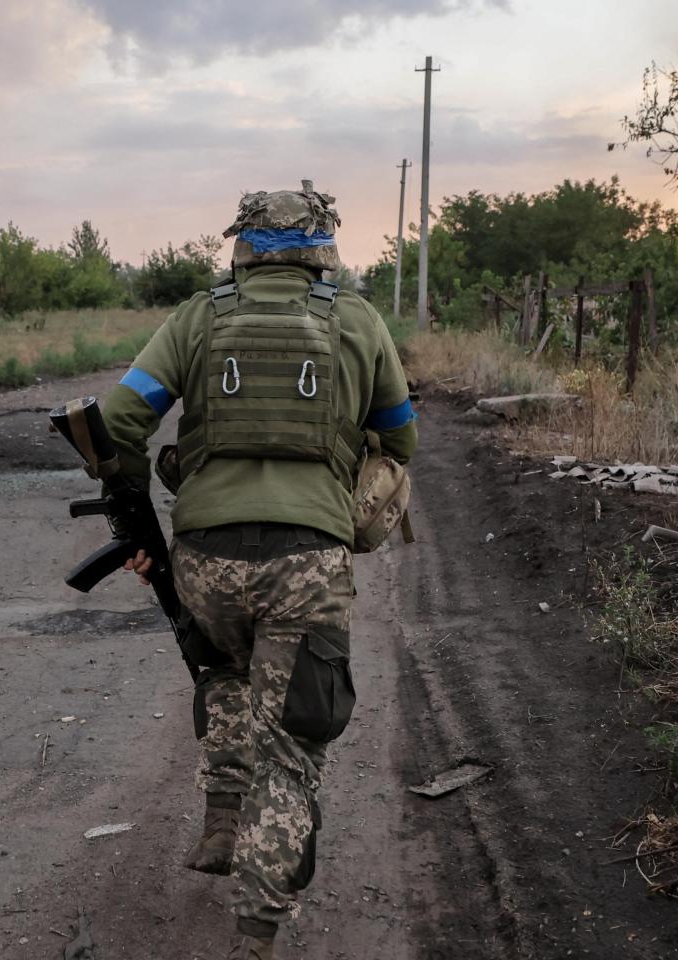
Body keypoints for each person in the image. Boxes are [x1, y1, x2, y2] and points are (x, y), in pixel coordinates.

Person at [99, 181, 418, 958]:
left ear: (241, 247)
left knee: (223, 671)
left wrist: (138, 511)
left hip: (206, 560)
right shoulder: (359, 321)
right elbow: (400, 442)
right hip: (306, 566)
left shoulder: (197, 317)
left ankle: (219, 824)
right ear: (322, 249)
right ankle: (255, 935)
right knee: (294, 746)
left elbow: (117, 419)